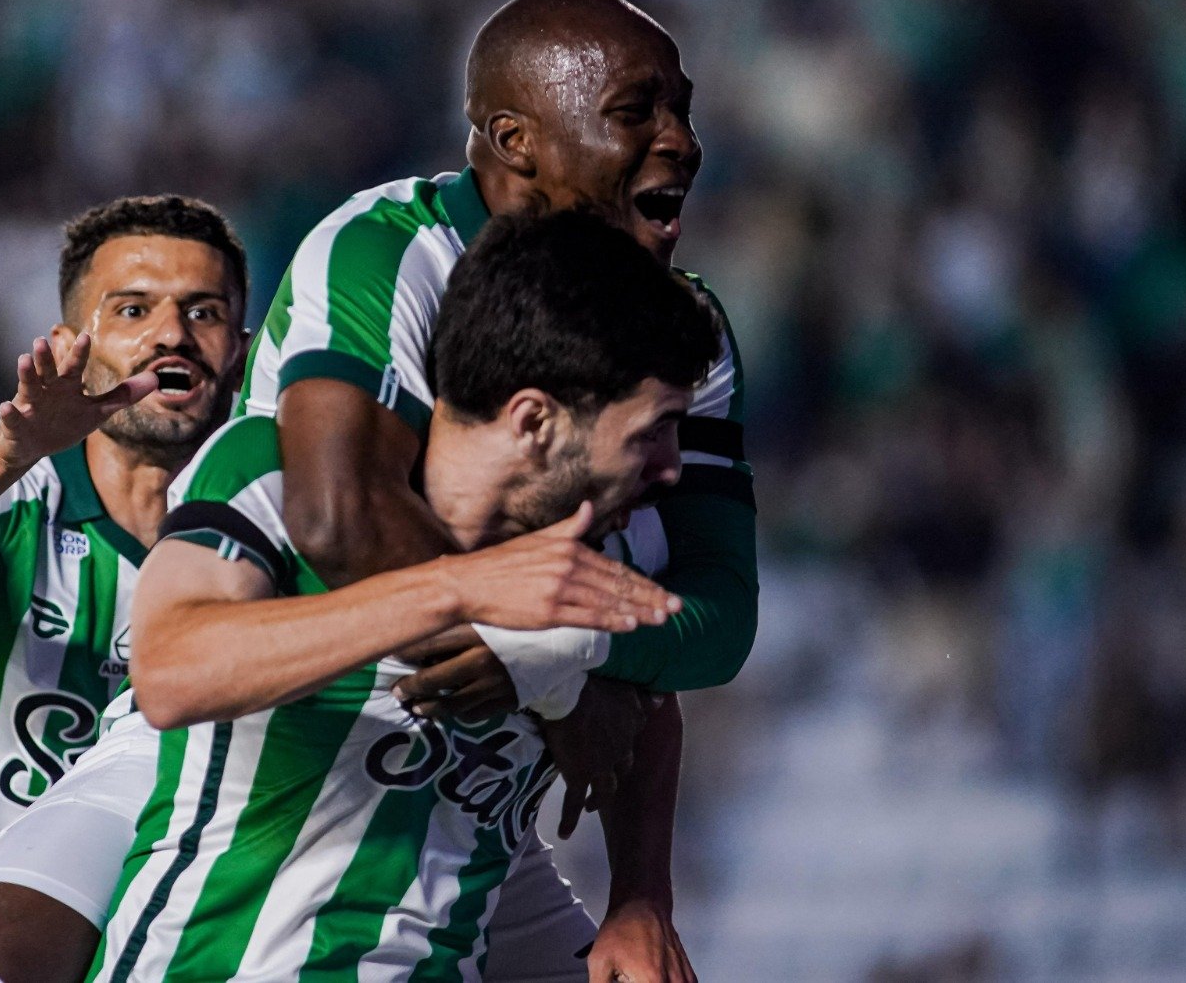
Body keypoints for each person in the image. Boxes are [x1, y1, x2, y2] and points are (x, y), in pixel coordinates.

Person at [238, 0, 757, 975]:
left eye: (682, 108)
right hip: (303, 769)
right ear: (515, 140)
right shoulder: (389, 251)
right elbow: (337, 518)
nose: (682, 140)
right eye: (635, 112)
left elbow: (715, 618)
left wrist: (641, 893)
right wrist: (559, 678)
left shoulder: (685, 329)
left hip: (482, 790)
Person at [90, 210, 718, 981]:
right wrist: (458, 590)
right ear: (534, 422)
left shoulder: (617, 549)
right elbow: (171, 671)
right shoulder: (272, 469)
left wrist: (640, 897)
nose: (671, 468)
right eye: (652, 431)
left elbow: (650, 706)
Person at [0, 195, 251, 982]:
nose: (171, 335)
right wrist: (5, 451)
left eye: (204, 312)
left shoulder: (272, 543)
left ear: (242, 351)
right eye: (134, 309)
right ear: (73, 345)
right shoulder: (9, 502)